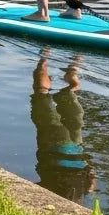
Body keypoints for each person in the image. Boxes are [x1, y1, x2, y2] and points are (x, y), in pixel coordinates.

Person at [30, 50, 95, 201]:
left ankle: (45, 57)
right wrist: (90, 172)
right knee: (45, 98)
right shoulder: (74, 202)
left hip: (61, 150)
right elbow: (90, 185)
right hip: (74, 151)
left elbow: (90, 184)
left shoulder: (65, 201)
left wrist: (90, 172)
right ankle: (53, 64)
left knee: (43, 97)